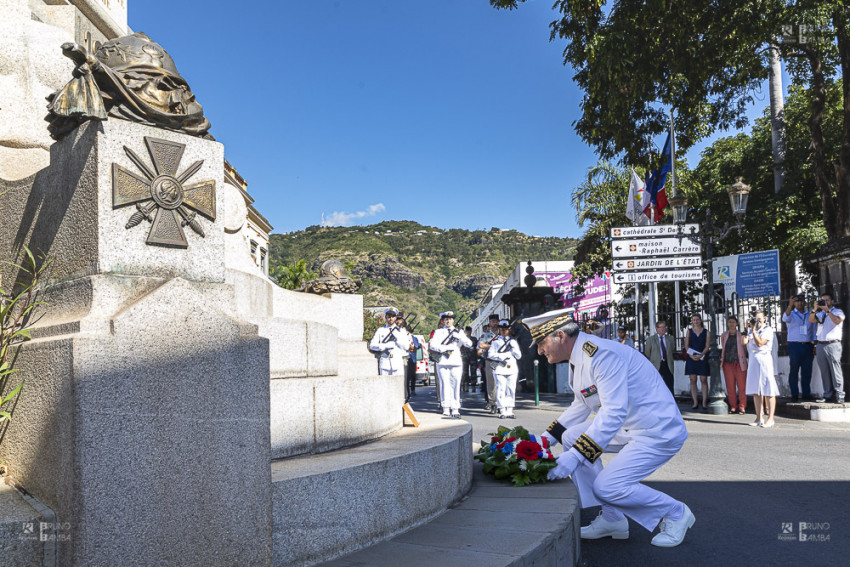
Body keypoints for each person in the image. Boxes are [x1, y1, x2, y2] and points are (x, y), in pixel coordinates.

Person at [524, 308, 694, 548]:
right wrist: (543, 441)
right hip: (629, 425)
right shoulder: (580, 357)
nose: (540, 350)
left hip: (656, 430)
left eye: (541, 343)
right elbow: (580, 405)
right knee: (572, 436)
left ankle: (676, 512)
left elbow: (613, 413)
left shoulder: (601, 355)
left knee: (607, 486)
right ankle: (613, 519)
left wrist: (573, 458)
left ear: (560, 336)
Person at [429, 311, 473, 418]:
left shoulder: (459, 332)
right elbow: (433, 345)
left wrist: (460, 337)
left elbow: (469, 344)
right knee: (444, 384)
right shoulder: (438, 332)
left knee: (456, 384)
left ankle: (455, 408)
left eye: (450, 319)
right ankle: (445, 407)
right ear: (443, 321)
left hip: (455, 361)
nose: (448, 321)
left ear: (453, 320)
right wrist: (444, 349)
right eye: (445, 319)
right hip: (443, 361)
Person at [743, 310, 779, 427]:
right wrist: (746, 328)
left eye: (759, 319)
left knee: (768, 389)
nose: (757, 321)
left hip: (764, 360)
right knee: (755, 389)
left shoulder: (767, 330)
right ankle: (759, 417)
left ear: (764, 318)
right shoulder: (752, 329)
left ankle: (771, 418)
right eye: (755, 319)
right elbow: (744, 341)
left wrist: (753, 331)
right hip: (754, 360)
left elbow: (760, 343)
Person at [810, 293, 845, 403]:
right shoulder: (821, 314)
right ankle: (827, 394)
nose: (825, 302)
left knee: (835, 370)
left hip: (833, 344)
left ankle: (839, 395)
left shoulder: (838, 312)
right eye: (822, 300)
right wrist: (815, 309)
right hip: (821, 344)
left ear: (832, 301)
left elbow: (837, 321)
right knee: (824, 371)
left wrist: (828, 311)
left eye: (827, 300)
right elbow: (811, 320)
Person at [782, 295, 816, 400]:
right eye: (797, 302)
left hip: (807, 345)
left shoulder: (810, 314)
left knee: (807, 371)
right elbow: (784, 318)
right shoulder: (791, 314)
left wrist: (814, 345)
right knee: (794, 370)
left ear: (805, 302)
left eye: (801, 301)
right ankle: (794, 394)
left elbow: (814, 331)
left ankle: (806, 393)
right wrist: (790, 305)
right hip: (794, 345)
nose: (799, 303)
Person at [488, 320, 522, 419]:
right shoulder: (495, 341)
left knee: (511, 389)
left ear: (509, 330)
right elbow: (491, 354)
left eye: (506, 329)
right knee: (501, 389)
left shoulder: (513, 341)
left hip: (511, 368)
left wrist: (514, 349)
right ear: (499, 329)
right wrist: (503, 355)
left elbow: (519, 356)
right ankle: (502, 410)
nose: (504, 331)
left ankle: (510, 410)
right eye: (502, 329)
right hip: (499, 368)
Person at [369, 307, 411, 376]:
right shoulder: (381, 330)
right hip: (385, 363)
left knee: (398, 386)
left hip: (397, 363)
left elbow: (406, 346)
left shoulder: (401, 331)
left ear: (396, 318)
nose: (391, 318)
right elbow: (372, 345)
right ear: (386, 317)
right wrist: (384, 346)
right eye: (389, 316)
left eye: (393, 316)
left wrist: (398, 339)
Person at [720, 316, 748, 415]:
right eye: (730, 322)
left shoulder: (741, 335)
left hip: (739, 364)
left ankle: (742, 406)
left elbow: (745, 349)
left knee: (742, 386)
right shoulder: (723, 335)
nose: (731, 324)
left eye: (733, 322)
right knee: (730, 386)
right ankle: (733, 406)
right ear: (727, 324)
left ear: (736, 324)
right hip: (727, 364)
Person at [684, 314, 710, 411]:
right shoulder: (689, 332)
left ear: (700, 320)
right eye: (694, 320)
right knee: (693, 379)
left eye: (697, 320)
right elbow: (686, 345)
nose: (695, 321)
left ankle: (704, 402)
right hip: (691, 358)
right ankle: (695, 402)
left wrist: (701, 355)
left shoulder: (706, 332)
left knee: (703, 379)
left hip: (702, 357)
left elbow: (707, 346)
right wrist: (691, 355)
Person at [478, 314, 501, 413]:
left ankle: (502, 404)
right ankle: (493, 404)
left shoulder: (503, 334)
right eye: (492, 321)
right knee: (491, 383)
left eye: (496, 321)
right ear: (489, 323)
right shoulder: (486, 335)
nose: (494, 323)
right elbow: (481, 344)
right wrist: (494, 346)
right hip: (490, 361)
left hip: (502, 361)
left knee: (502, 383)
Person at [644, 320, 675, 395]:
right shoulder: (651, 339)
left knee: (669, 384)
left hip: (667, 364)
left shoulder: (670, 338)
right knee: (656, 384)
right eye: (661, 327)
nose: (663, 329)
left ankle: (671, 401)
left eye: (664, 327)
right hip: (656, 364)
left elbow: (672, 349)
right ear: (656, 329)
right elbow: (647, 352)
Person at [460, 326, 478, 393]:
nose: (468, 332)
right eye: (467, 331)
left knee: (473, 372)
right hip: (465, 357)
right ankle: (465, 385)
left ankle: (473, 385)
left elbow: (476, 347)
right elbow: (460, 347)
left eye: (469, 331)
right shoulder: (463, 339)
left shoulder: (474, 339)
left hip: (473, 357)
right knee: (465, 373)